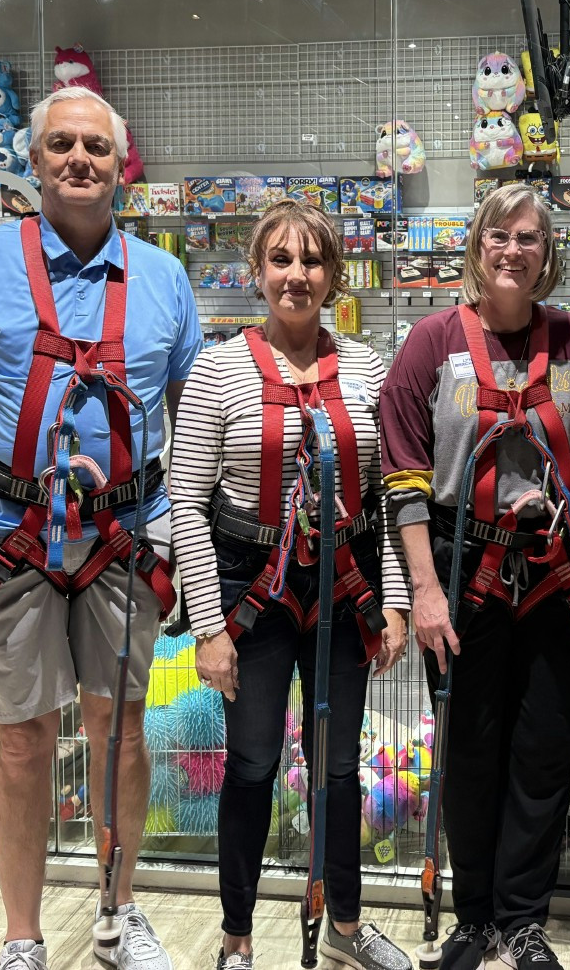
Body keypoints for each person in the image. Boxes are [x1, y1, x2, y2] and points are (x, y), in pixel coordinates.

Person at [0, 86, 201, 970]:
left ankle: (118, 909)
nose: (79, 160)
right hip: (2, 533)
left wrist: (179, 536)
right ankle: (23, 935)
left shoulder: (164, 277)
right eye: (61, 144)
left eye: (96, 147)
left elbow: (195, 422)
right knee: (22, 742)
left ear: (121, 164)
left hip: (123, 536)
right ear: (33, 162)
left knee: (123, 729)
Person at [168, 200, 413, 970]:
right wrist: (209, 627)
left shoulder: (370, 370)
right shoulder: (217, 371)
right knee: (251, 763)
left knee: (340, 767)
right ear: (256, 273)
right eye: (281, 260)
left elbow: (391, 492)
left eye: (312, 261)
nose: (296, 275)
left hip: (343, 586)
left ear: (336, 276)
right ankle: (237, 937)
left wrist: (396, 600)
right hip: (253, 592)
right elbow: (187, 500)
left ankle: (344, 924)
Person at [380, 183, 570, 970]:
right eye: (498, 237)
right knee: (471, 749)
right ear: (476, 246)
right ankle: (474, 917)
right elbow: (405, 477)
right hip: (458, 566)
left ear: (548, 253)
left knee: (545, 747)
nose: (512, 250)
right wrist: (423, 589)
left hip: (554, 575)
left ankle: (523, 921)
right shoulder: (431, 344)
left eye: (529, 238)